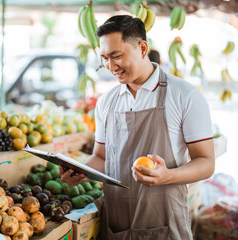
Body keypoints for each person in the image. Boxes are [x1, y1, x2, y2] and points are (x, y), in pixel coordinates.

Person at [60, 15, 214, 240]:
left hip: (165, 223)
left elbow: (206, 162)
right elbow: (102, 157)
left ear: (142, 48)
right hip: (117, 224)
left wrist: (166, 176)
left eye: (117, 56)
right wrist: (80, 171)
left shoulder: (184, 95)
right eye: (104, 58)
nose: (111, 66)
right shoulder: (106, 102)